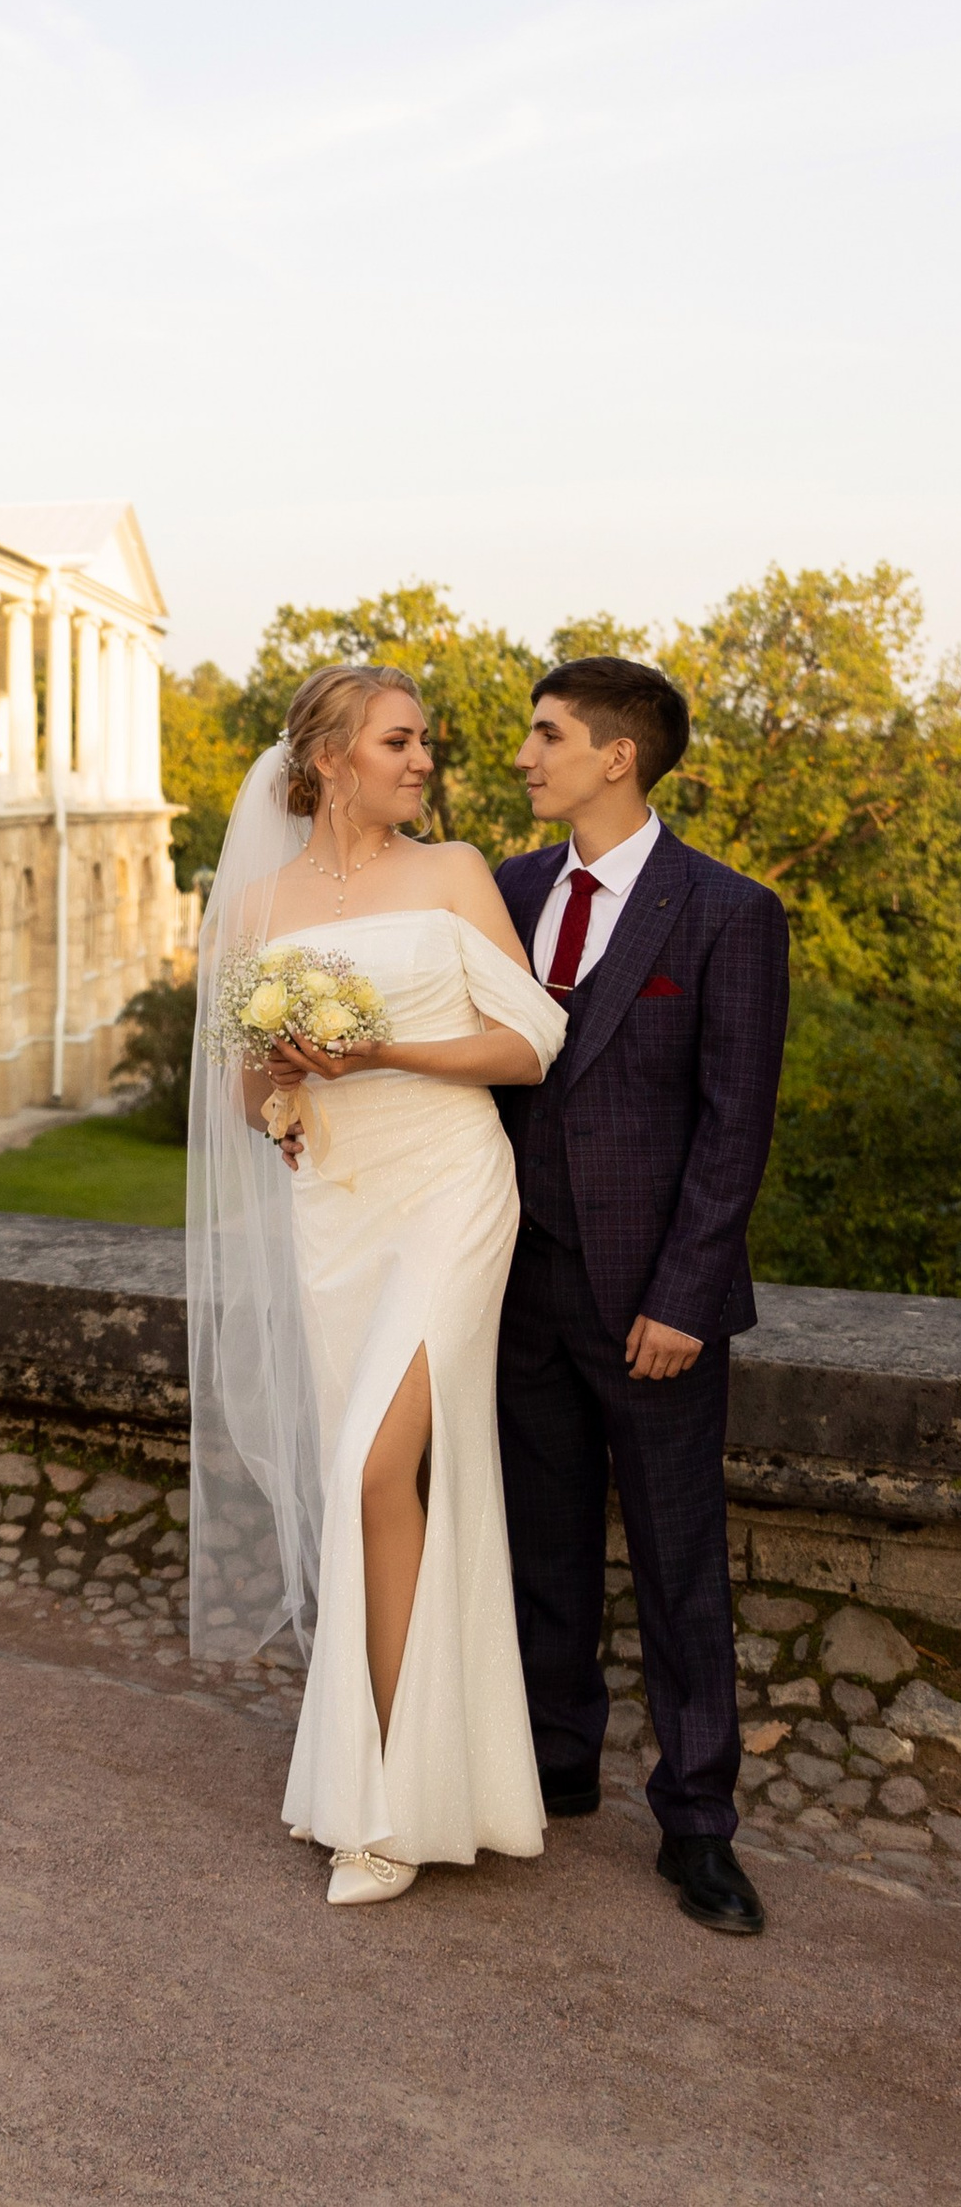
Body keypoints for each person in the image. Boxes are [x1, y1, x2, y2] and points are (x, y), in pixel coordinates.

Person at [187, 663, 566, 1905]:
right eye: (399, 741)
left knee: (365, 1465)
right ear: (329, 756)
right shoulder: (253, 908)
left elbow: (528, 1041)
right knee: (384, 1486)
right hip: (337, 1205)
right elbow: (253, 1096)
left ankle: (388, 1811)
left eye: (426, 746)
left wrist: (379, 1046)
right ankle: (396, 1779)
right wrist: (288, 1080)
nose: (424, 762)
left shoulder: (455, 870)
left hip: (452, 1189)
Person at [493, 658, 788, 1937]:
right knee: (540, 1542)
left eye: (546, 734)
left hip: (654, 1305)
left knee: (679, 1573)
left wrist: (681, 1295)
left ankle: (698, 1826)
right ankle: (559, 1760)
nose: (523, 755)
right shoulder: (502, 892)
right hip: (515, 1283)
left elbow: (734, 1127)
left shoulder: (728, 913)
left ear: (617, 755)